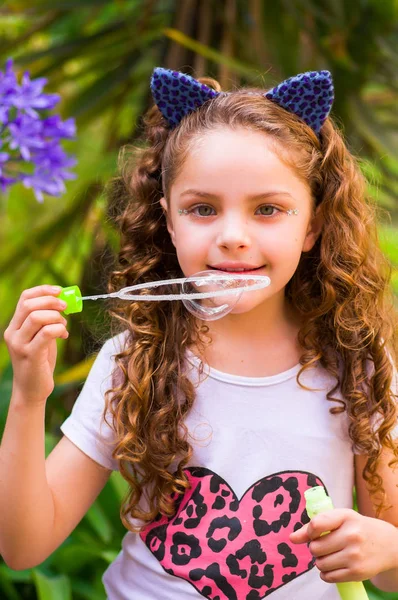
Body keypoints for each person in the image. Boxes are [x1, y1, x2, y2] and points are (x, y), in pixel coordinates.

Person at [1, 67, 398, 600]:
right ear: (169, 220)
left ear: (313, 225)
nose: (233, 236)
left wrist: (386, 551)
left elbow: (390, 563)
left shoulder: (358, 370)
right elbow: (24, 547)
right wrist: (29, 398)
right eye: (203, 208)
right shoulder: (130, 362)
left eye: (268, 210)